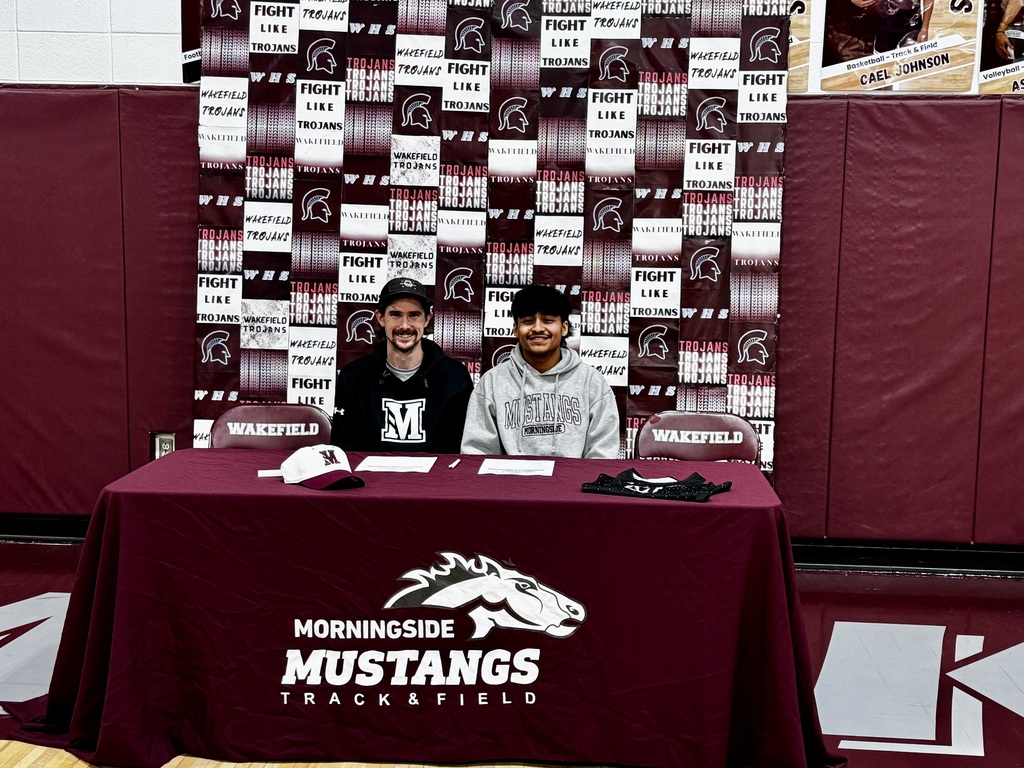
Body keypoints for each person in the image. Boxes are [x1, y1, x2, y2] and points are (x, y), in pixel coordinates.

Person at [461, 284, 620, 459]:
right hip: (509, 477)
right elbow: (477, 452)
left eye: (548, 320)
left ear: (564, 328)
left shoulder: (591, 381)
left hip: (573, 477)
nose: (537, 328)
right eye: (528, 321)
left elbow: (603, 452)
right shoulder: (492, 382)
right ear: (516, 329)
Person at [331, 277, 474, 453]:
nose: (404, 325)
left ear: (427, 319)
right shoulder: (353, 378)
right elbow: (345, 452)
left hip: (437, 472)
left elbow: (460, 454)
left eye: (414, 315)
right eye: (396, 314)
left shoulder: (455, 378)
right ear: (381, 318)